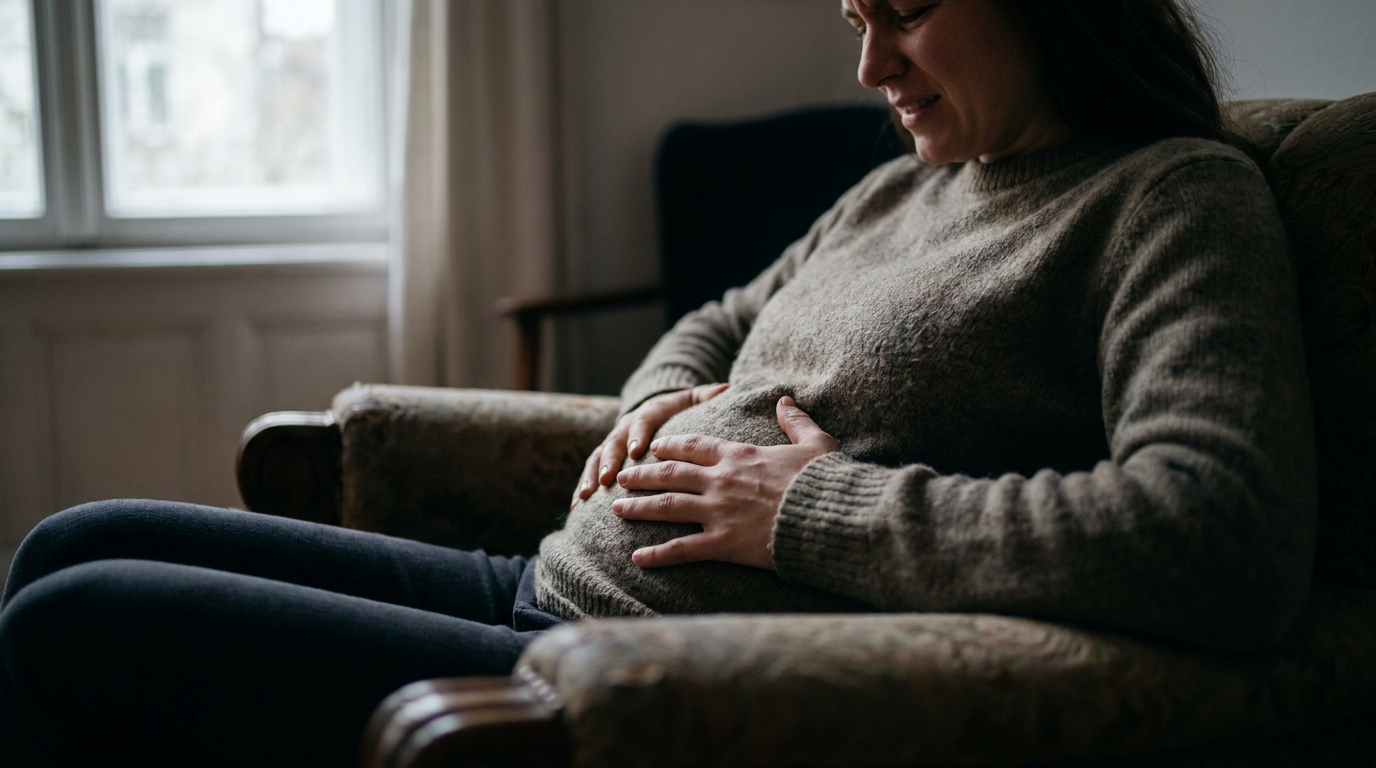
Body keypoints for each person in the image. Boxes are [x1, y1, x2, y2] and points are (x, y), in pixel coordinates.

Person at [0, 0, 1316, 765]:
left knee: (77, 621)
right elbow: (716, 323)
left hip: (625, 665)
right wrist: (656, 405)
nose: (871, 68)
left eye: (907, 11)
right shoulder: (899, 190)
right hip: (538, 580)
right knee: (69, 543)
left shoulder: (1171, 199)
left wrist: (813, 509)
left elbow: (1222, 532)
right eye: (856, 18)